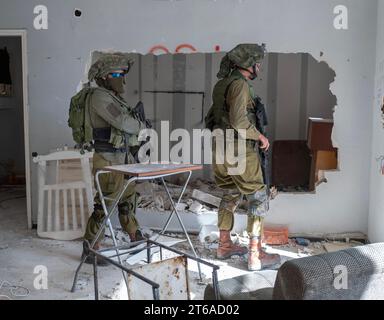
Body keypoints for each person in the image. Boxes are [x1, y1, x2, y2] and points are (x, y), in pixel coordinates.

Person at [205, 44, 281, 271]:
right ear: (249, 65)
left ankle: (224, 245)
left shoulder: (222, 85)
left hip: (221, 148)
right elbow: (239, 121)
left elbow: (212, 117)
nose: (259, 67)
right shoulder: (239, 85)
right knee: (258, 198)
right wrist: (260, 137)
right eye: (257, 64)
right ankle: (255, 256)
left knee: (229, 194)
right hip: (239, 148)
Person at [81, 53, 147, 265]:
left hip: (122, 157)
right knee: (105, 205)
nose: (122, 78)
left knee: (127, 200)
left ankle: (135, 237)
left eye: (122, 73)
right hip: (108, 160)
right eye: (116, 74)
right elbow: (124, 123)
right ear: (103, 76)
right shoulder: (100, 97)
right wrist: (140, 126)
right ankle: (91, 247)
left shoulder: (112, 96)